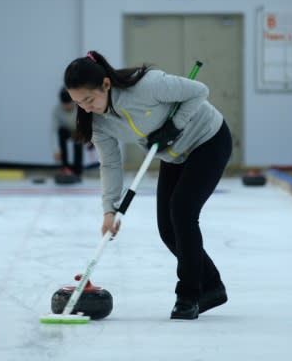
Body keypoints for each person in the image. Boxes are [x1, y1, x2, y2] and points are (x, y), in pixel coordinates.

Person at [63, 50, 232, 320]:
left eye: (89, 99)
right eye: (78, 103)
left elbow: (200, 90)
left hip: (207, 140)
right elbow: (110, 164)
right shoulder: (99, 123)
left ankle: (188, 295)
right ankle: (211, 285)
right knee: (167, 228)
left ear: (105, 84)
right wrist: (109, 210)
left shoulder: (147, 85)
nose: (85, 108)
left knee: (182, 211)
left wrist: (174, 125)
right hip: (172, 154)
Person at [51, 87, 83, 176]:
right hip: (65, 131)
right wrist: (56, 150)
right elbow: (53, 131)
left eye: (69, 104)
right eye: (65, 105)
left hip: (78, 130)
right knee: (61, 133)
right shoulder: (56, 111)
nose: (67, 107)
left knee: (78, 142)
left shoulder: (81, 107)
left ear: (74, 101)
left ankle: (77, 171)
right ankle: (65, 168)